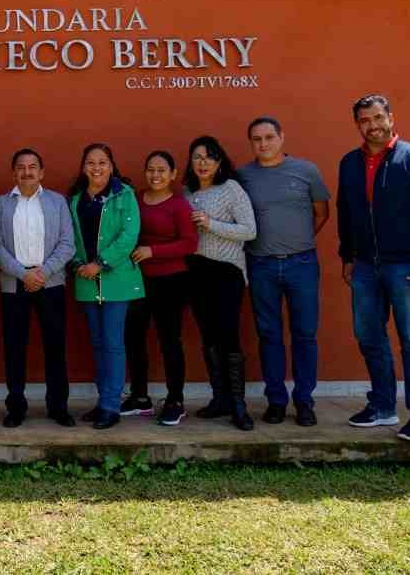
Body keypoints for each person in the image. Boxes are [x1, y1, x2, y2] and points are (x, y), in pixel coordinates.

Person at [338, 93, 410, 443]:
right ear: (357, 124)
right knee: (369, 337)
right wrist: (347, 256)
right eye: (365, 120)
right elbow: (346, 210)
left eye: (377, 118)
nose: (372, 126)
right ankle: (383, 406)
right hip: (365, 267)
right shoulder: (349, 163)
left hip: (407, 265)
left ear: (390, 117)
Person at [237, 116, 330, 427]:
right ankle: (276, 400)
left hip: (301, 264)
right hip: (260, 264)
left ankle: (304, 401)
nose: (263, 144)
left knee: (305, 334)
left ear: (281, 137)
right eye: (256, 139)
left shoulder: (306, 171)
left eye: (269, 137)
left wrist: (296, 241)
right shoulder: (243, 176)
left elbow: (321, 213)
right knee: (269, 335)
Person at [0, 148, 76, 428]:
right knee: (14, 347)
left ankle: (58, 406)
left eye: (32, 167)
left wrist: (42, 272)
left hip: (50, 284)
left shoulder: (57, 202)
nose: (27, 171)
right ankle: (16, 406)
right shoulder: (0, 205)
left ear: (41, 172)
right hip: (13, 285)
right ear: (14, 172)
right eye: (21, 167)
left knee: (55, 346)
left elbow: (68, 243)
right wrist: (22, 273)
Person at [184, 135, 258, 431]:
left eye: (209, 157)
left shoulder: (231, 189)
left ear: (219, 161)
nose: (203, 163)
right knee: (208, 335)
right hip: (196, 271)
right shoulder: (186, 193)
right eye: (197, 157)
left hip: (227, 271)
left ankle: (238, 404)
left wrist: (210, 224)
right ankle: (220, 398)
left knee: (228, 334)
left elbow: (249, 231)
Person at [68, 143, 143, 431]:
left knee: (113, 344)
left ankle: (112, 406)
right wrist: (78, 264)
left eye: (102, 162)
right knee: (98, 344)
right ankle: (102, 402)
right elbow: (71, 237)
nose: (96, 168)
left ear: (111, 166)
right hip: (86, 281)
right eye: (90, 162)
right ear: (83, 167)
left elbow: (129, 236)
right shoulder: (76, 199)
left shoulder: (125, 195)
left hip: (117, 281)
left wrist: (100, 263)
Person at [126, 150, 198, 423]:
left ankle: (175, 400)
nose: (155, 175)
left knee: (169, 340)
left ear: (173, 174)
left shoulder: (179, 205)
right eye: (151, 169)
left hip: (171, 280)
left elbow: (190, 243)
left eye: (161, 170)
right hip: (137, 280)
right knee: (133, 337)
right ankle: (140, 396)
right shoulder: (135, 199)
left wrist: (152, 251)